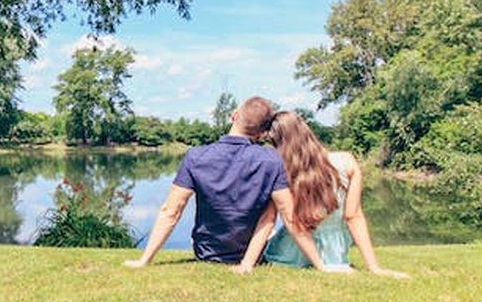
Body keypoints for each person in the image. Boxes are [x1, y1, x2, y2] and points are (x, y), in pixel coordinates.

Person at [124, 97, 329, 271]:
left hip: (206, 253)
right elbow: (289, 218)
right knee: (271, 223)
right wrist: (320, 266)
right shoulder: (271, 160)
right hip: (251, 255)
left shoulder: (195, 156)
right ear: (262, 133)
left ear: (234, 115)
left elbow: (171, 211)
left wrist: (144, 260)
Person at [234, 111, 407, 277]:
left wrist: (248, 262)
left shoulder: (282, 171)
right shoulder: (347, 162)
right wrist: (374, 268)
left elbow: (273, 219)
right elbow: (353, 217)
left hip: (286, 255)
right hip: (334, 256)